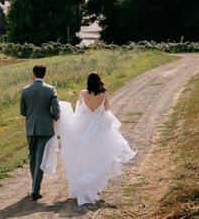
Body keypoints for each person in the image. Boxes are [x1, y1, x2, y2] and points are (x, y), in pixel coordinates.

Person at [50, 72, 136, 205]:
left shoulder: (83, 93)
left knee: (85, 156)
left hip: (84, 127)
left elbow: (79, 109)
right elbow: (107, 110)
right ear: (99, 81)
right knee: (98, 157)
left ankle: (85, 183)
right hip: (99, 128)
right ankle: (94, 186)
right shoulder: (104, 94)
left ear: (88, 82)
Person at [19, 64, 61, 201]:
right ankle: (35, 191)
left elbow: (23, 112)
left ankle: (34, 186)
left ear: (34, 74)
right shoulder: (50, 90)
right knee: (40, 158)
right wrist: (55, 119)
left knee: (33, 157)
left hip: (31, 128)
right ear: (44, 74)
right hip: (45, 128)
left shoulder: (25, 90)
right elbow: (56, 111)